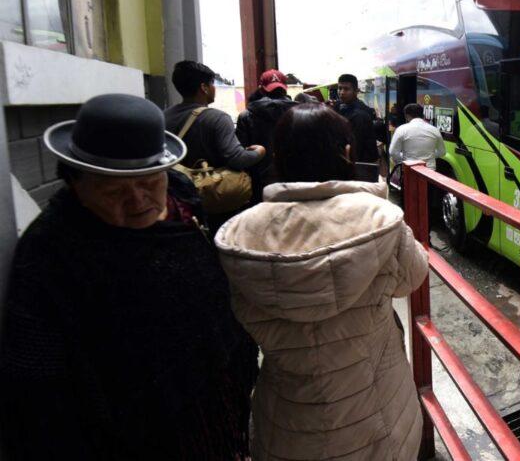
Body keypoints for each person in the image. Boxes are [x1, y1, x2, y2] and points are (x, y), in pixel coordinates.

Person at [0, 94, 258, 460]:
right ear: (75, 183)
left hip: (213, 401)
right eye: (114, 191)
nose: (138, 201)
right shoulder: (51, 250)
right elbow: (37, 382)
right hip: (132, 430)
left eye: (150, 182)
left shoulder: (182, 200)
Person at [215, 104, 429, 461]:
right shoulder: (379, 218)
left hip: (287, 423)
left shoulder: (240, 233)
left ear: (279, 156)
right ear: (347, 153)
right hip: (377, 417)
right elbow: (413, 275)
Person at [164, 60, 265, 175]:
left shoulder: (164, 117)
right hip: (208, 189)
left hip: (173, 188)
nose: (214, 87)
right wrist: (259, 152)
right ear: (204, 88)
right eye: (212, 83)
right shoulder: (218, 118)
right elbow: (237, 159)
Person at [236, 69, 297, 197]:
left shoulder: (246, 116)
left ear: (261, 89)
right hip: (294, 179)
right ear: (285, 89)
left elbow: (241, 152)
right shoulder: (301, 112)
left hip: (259, 182)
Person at [336, 73, 380, 163]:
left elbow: (356, 148)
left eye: (346, 89)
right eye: (340, 88)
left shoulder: (360, 114)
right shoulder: (341, 106)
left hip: (359, 165)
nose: (341, 92)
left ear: (356, 91)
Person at [389, 103, 447, 170]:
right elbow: (442, 152)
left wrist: (404, 157)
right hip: (430, 172)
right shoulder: (435, 130)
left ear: (407, 116)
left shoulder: (401, 129)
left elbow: (393, 152)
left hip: (410, 170)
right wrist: (429, 156)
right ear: (422, 114)